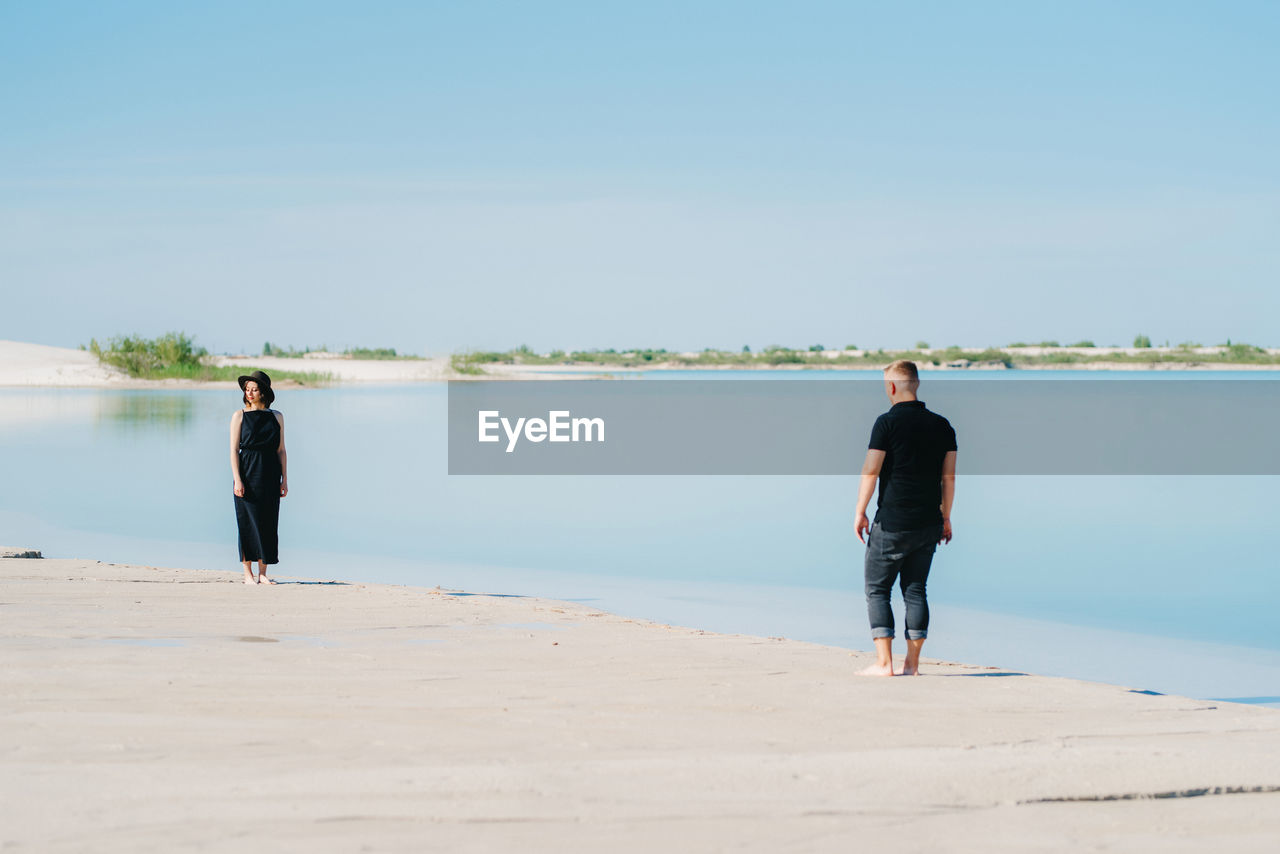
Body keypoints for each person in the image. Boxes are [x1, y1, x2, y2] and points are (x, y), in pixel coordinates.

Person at [853, 360, 956, 676]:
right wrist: (946, 518)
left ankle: (885, 663)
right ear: (917, 384)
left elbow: (871, 470)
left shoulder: (886, 423)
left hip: (893, 523)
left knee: (877, 589)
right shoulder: (943, 426)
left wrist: (860, 510)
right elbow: (948, 478)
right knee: (915, 590)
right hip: (928, 523)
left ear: (892, 386)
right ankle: (912, 665)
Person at [230, 370, 288, 585]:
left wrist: (285, 479)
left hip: (270, 473)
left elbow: (281, 450)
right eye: (247, 389)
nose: (250, 393)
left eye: (254, 389)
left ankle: (263, 573)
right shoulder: (239, 416)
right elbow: (233, 450)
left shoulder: (277, 416)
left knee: (268, 521)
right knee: (246, 521)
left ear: (264, 392)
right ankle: (248, 574)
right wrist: (237, 479)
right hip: (247, 470)